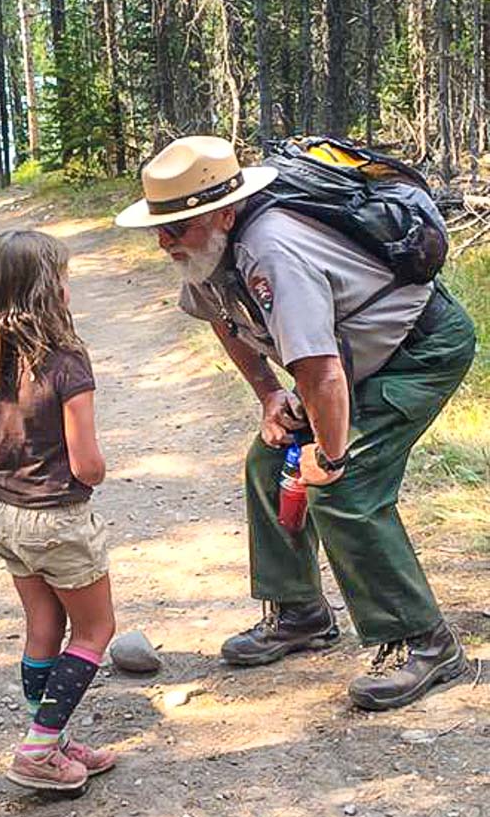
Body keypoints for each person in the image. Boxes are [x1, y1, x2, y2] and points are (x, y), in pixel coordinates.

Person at [115, 135, 476, 711]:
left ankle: (426, 643)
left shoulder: (273, 250)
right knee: (269, 461)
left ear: (222, 212)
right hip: (353, 359)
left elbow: (322, 372)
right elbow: (223, 321)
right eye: (160, 227)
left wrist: (329, 458)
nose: (164, 242)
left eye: (176, 229)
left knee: (345, 486)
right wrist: (266, 395)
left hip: (419, 349)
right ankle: (301, 612)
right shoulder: (207, 248)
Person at [0, 230, 116, 790]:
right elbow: (88, 463)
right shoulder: (68, 364)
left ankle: (53, 736)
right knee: (95, 630)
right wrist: (93, 472)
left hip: (9, 517)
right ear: (50, 291)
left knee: (43, 627)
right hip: (61, 520)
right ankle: (39, 750)